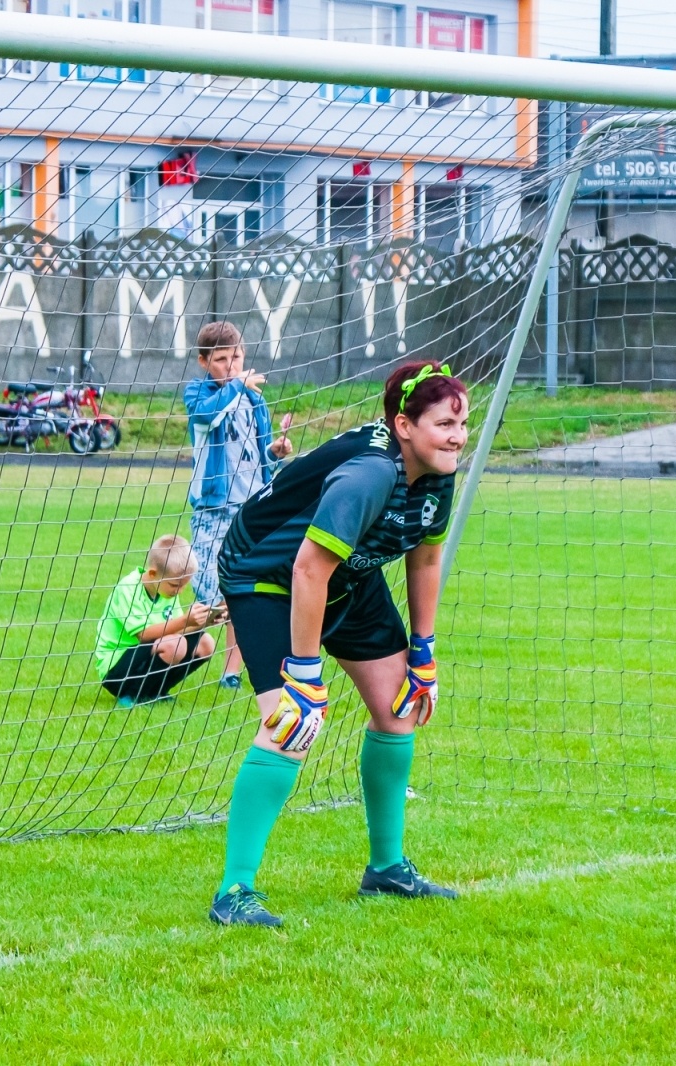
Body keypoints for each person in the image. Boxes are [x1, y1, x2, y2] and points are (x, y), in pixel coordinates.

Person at [207, 360, 468, 928]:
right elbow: (305, 569)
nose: (457, 436)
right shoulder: (368, 476)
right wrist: (302, 672)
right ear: (404, 426)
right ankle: (234, 891)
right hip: (267, 576)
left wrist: (422, 651)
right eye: (445, 423)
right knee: (291, 724)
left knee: (400, 708)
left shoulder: (439, 471)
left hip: (345, 574)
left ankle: (387, 869)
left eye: (461, 423)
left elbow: (425, 555)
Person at [184, 320, 293, 690]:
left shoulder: (255, 400)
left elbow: (258, 456)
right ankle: (172, 647)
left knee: (241, 588)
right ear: (203, 362)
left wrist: (275, 453)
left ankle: (231, 672)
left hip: (251, 508)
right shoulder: (197, 394)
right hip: (213, 507)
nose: (232, 366)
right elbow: (208, 417)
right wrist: (236, 385)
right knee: (208, 585)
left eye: (237, 358)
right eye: (221, 360)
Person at [94, 534, 219, 708]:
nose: (180, 591)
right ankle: (130, 694)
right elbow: (144, 635)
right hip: (116, 669)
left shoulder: (164, 590)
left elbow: (174, 631)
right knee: (174, 645)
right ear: (153, 573)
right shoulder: (128, 588)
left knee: (205, 643)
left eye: (184, 585)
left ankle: (156, 692)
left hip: (147, 655)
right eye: (176, 585)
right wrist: (185, 620)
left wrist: (202, 623)